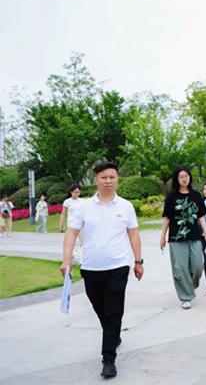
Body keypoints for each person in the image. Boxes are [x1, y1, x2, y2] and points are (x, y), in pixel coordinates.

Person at [60, 162, 143, 379]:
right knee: (101, 310)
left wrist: (138, 261)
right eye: (104, 177)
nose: (108, 181)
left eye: (112, 177)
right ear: (96, 179)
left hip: (118, 267)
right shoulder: (83, 207)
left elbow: (134, 234)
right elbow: (71, 233)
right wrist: (66, 260)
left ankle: (108, 359)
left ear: (117, 179)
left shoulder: (126, 206)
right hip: (91, 268)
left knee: (114, 310)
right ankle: (113, 334)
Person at [160, 166, 206, 309]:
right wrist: (162, 236)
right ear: (177, 179)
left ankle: (190, 286)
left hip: (195, 236)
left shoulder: (196, 195)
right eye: (181, 177)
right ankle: (185, 297)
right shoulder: (171, 197)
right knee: (180, 268)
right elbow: (167, 218)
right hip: (176, 238)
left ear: (189, 177)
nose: (184, 179)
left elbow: (201, 216)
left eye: (186, 176)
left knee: (198, 266)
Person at [60, 184, 85, 262]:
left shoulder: (83, 201)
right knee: (75, 242)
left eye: (78, 192)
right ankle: (79, 259)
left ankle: (78, 256)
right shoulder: (67, 202)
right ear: (71, 192)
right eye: (75, 192)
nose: (76, 193)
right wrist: (62, 225)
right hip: (72, 225)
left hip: (81, 224)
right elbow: (63, 214)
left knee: (82, 242)